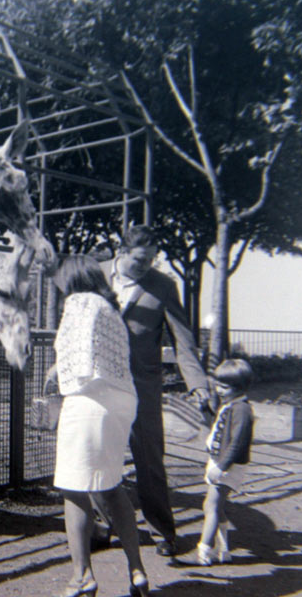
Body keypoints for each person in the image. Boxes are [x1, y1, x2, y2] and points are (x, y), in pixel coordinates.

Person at [46, 254, 149, 597]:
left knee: (74, 488)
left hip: (90, 400)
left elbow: (78, 357)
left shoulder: (79, 302)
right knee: (111, 485)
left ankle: (82, 576)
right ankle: (137, 570)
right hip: (122, 401)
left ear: (72, 277)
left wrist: (60, 374)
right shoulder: (110, 308)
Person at [107, 225, 213, 557]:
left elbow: (183, 341)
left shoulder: (163, 285)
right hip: (100, 383)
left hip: (142, 386)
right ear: (121, 252)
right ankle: (103, 524)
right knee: (100, 454)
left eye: (152, 259)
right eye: (140, 259)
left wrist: (197, 384)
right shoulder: (95, 276)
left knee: (149, 460)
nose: (147, 266)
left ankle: (162, 532)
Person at [190, 358, 255, 566]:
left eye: (225, 387)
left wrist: (221, 467)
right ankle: (224, 550)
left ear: (240, 387)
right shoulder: (230, 405)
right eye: (218, 385)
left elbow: (238, 442)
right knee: (217, 507)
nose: (219, 390)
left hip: (229, 465)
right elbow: (217, 427)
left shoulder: (242, 410)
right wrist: (205, 410)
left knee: (210, 505)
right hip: (219, 461)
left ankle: (204, 550)